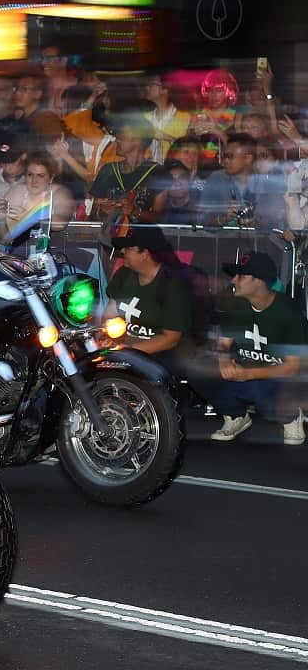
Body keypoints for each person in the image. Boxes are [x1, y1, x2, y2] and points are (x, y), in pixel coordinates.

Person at [191, 252, 306, 445]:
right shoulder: (235, 304)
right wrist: (225, 362)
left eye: (241, 276)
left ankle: (291, 416)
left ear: (258, 281)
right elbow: (224, 344)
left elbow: (293, 367)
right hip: (247, 369)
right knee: (198, 367)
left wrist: (249, 374)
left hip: (279, 379)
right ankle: (235, 415)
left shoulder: (288, 310)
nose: (233, 280)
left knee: (261, 391)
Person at [102, 225, 195, 377]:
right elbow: (110, 313)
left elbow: (170, 339)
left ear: (145, 254)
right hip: (123, 351)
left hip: (162, 357)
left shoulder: (173, 284)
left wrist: (128, 352)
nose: (123, 251)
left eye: (128, 248)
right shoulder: (124, 275)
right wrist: (106, 337)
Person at [197, 132, 286, 232]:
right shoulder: (216, 179)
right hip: (222, 240)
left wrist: (257, 221)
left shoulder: (266, 183)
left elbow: (276, 223)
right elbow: (201, 221)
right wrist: (224, 218)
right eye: (225, 156)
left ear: (248, 158)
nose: (225, 160)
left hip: (258, 241)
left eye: (230, 156)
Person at [89, 114, 167, 224]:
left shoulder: (157, 172)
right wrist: (102, 212)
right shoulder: (108, 170)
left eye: (121, 136)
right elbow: (92, 216)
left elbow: (160, 217)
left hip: (143, 234)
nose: (116, 140)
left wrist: (135, 212)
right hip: (111, 234)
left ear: (138, 139)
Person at [0, 150, 74, 251]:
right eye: (30, 174)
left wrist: (27, 217)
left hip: (56, 251)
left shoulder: (60, 193)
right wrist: (0, 220)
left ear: (51, 178)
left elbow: (60, 224)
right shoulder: (17, 191)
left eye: (40, 175)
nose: (34, 180)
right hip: (21, 252)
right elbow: (4, 240)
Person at [142, 72, 190, 164]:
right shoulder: (144, 118)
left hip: (173, 170)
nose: (147, 87)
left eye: (151, 84)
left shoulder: (185, 118)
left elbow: (189, 151)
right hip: (149, 170)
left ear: (165, 89)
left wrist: (166, 137)